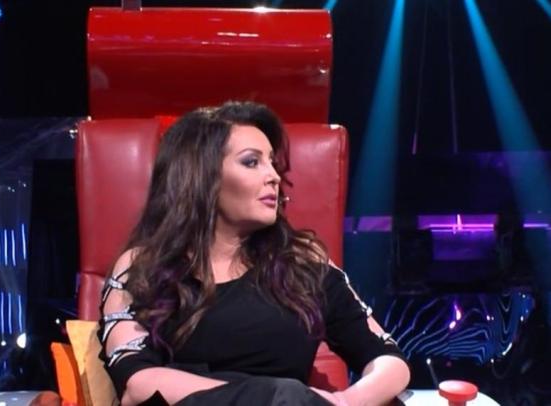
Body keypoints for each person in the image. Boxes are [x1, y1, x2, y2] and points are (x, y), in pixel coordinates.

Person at [98, 101, 410, 405]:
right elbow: (137, 383)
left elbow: (388, 360)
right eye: (251, 162)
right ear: (202, 175)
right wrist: (277, 396)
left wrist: (345, 401)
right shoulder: (142, 265)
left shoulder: (303, 261)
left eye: (272, 162)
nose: (274, 176)